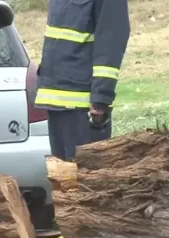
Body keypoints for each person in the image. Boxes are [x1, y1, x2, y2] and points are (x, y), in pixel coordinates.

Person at [34, 0, 130, 161]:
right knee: (63, 180)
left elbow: (111, 40)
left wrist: (101, 98)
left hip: (82, 107)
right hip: (54, 101)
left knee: (86, 180)